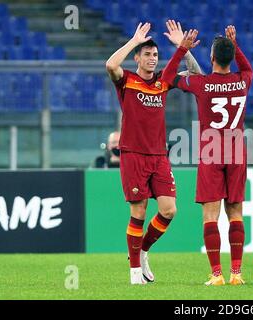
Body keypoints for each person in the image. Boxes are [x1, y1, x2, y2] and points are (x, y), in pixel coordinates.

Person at [105, 20, 201, 285]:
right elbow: (111, 65)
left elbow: (197, 74)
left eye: (156, 55)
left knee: (169, 210)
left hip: (159, 156)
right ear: (137, 57)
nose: (152, 58)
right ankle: (135, 272)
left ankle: (143, 251)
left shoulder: (163, 81)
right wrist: (134, 41)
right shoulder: (127, 80)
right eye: (147, 54)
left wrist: (184, 48)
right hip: (133, 154)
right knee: (139, 211)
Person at [163, 26, 253, 286]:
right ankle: (236, 273)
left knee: (210, 216)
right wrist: (237, 46)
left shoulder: (201, 84)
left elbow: (168, 78)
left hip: (212, 151)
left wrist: (183, 49)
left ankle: (217, 275)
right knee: (236, 213)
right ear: (231, 56)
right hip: (236, 149)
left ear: (212, 58)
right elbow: (247, 68)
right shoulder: (242, 81)